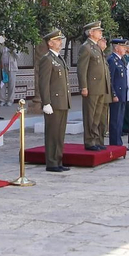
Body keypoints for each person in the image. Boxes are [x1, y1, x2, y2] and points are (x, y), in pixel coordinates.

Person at [35, 28, 71, 171]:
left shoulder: (59, 58)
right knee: (52, 133)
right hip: (54, 102)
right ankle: (51, 162)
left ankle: (58, 160)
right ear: (50, 43)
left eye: (60, 40)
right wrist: (46, 102)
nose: (60, 42)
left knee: (60, 133)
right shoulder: (47, 59)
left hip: (62, 101)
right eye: (57, 40)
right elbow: (44, 83)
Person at [78, 22, 108, 151]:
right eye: (98, 30)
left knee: (97, 115)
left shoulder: (96, 47)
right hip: (92, 87)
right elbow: (82, 69)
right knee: (90, 115)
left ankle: (96, 139)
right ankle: (89, 141)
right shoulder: (86, 47)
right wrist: (83, 86)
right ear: (91, 32)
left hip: (100, 86)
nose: (100, 33)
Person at [106, 36, 129, 146]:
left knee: (120, 119)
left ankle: (118, 142)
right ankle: (115, 143)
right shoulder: (112, 60)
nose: (125, 48)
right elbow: (110, 79)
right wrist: (113, 94)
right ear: (116, 48)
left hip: (122, 94)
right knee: (115, 120)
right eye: (123, 46)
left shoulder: (121, 60)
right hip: (116, 94)